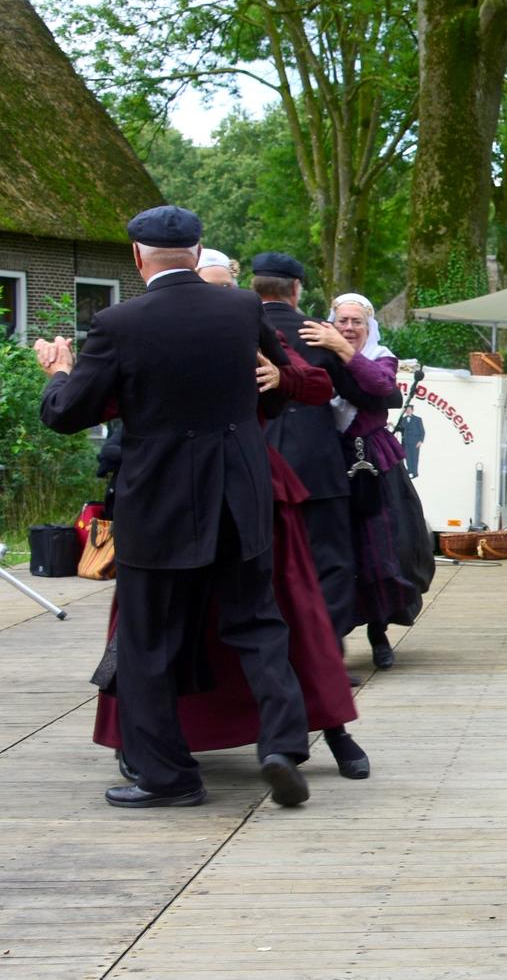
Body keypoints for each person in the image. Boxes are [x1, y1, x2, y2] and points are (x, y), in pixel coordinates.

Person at [37, 205, 311, 809]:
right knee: (257, 623)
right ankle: (282, 745)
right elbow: (280, 375)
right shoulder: (242, 308)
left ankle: (169, 776)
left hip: (160, 500)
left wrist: (59, 372)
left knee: (149, 639)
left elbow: (67, 414)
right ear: (198, 248)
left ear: (138, 257)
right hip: (240, 491)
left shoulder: (117, 323)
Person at [93, 332, 366, 780]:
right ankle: (139, 740)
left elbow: (315, 384)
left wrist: (282, 377)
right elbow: (96, 403)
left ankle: (329, 730)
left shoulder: (245, 329)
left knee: (289, 614)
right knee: (148, 622)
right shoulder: (140, 334)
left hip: (248, 494)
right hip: (167, 499)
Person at [302, 294, 430, 669]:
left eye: (356, 322)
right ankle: (331, 642)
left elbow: (379, 386)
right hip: (329, 460)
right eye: (342, 320)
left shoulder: (380, 355)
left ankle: (379, 633)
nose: (348, 328)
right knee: (335, 551)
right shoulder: (317, 352)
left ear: (368, 326)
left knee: (379, 551)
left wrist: (344, 351)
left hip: (374, 461)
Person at [253, 253, 360, 645]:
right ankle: (324, 654)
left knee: (266, 563)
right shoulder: (320, 334)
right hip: (317, 463)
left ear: (253, 287)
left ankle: (272, 651)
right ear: (296, 289)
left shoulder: (237, 329)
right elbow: (361, 392)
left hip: (259, 463)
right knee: (328, 561)